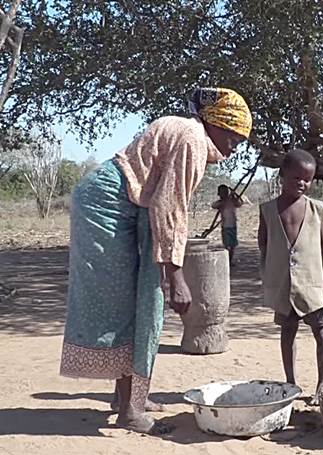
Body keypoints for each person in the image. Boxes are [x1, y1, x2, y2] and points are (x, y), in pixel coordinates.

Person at [60, 87, 252, 435]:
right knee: (126, 303)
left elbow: (165, 205)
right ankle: (130, 410)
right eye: (234, 138)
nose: (234, 148)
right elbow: (169, 206)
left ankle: (130, 397)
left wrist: (167, 270)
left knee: (145, 300)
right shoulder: (192, 139)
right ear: (218, 124)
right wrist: (176, 278)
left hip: (131, 208)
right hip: (106, 207)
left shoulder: (189, 134)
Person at [258, 149, 323, 403]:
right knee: (287, 331)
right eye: (296, 178)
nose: (302, 183)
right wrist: (269, 276)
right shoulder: (268, 210)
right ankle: (290, 383)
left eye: (308, 179)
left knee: (322, 333)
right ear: (282, 175)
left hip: (313, 284)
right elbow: (264, 244)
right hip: (283, 285)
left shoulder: (317, 209)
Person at [212, 184, 244, 264]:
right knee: (227, 245)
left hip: (233, 226)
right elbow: (214, 205)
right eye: (222, 192)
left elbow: (240, 203)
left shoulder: (232, 201)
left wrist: (235, 195)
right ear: (219, 194)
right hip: (225, 226)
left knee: (232, 245)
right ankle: (227, 261)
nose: (224, 194)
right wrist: (223, 202)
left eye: (225, 192)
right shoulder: (221, 203)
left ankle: (229, 261)